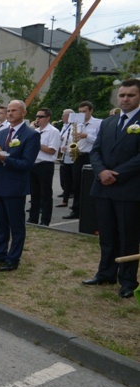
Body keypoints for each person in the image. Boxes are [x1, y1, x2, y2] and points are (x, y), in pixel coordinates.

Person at [84, 79, 140, 299]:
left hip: (128, 188)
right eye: (122, 95)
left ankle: (127, 280)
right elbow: (95, 151)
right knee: (106, 234)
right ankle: (106, 273)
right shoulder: (108, 122)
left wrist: (116, 174)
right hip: (103, 188)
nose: (125, 99)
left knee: (128, 236)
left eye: (131, 95)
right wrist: (101, 172)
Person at [0, 100, 40, 272]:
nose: (10, 113)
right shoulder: (2, 132)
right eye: (8, 111)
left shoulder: (31, 135)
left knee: (16, 225)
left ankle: (13, 258)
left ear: (24, 113)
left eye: (14, 110)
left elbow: (27, 164)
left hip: (15, 186)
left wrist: (4, 159)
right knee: (0, 224)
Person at [63, 101, 101, 220]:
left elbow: (100, 141)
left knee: (90, 184)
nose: (82, 114)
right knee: (76, 184)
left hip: (91, 156)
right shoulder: (76, 123)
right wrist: (69, 147)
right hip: (78, 155)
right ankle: (76, 210)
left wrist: (86, 136)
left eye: (84, 111)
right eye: (80, 112)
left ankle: (90, 210)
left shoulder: (98, 123)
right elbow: (71, 139)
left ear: (91, 111)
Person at [28, 108, 61, 226]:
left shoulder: (53, 131)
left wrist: (36, 144)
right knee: (34, 193)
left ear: (47, 118)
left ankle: (45, 220)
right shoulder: (35, 131)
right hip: (34, 164)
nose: (37, 119)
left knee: (46, 193)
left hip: (45, 164)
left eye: (41, 117)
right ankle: (33, 218)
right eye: (37, 116)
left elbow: (52, 150)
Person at [56, 109, 75, 208]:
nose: (62, 117)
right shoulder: (65, 126)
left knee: (72, 178)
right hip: (64, 154)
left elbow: (74, 140)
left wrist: (67, 147)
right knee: (65, 176)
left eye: (64, 115)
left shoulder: (75, 126)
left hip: (72, 154)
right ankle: (65, 198)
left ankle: (71, 196)